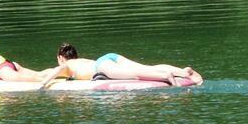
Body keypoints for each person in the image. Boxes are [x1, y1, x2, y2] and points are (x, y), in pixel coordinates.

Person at [40, 43, 202, 87]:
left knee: (134, 75)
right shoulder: (80, 61)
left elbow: (58, 70)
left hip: (101, 66)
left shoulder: (67, 66)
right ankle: (182, 71)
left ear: (61, 57)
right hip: (110, 57)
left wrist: (43, 84)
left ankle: (166, 77)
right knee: (146, 67)